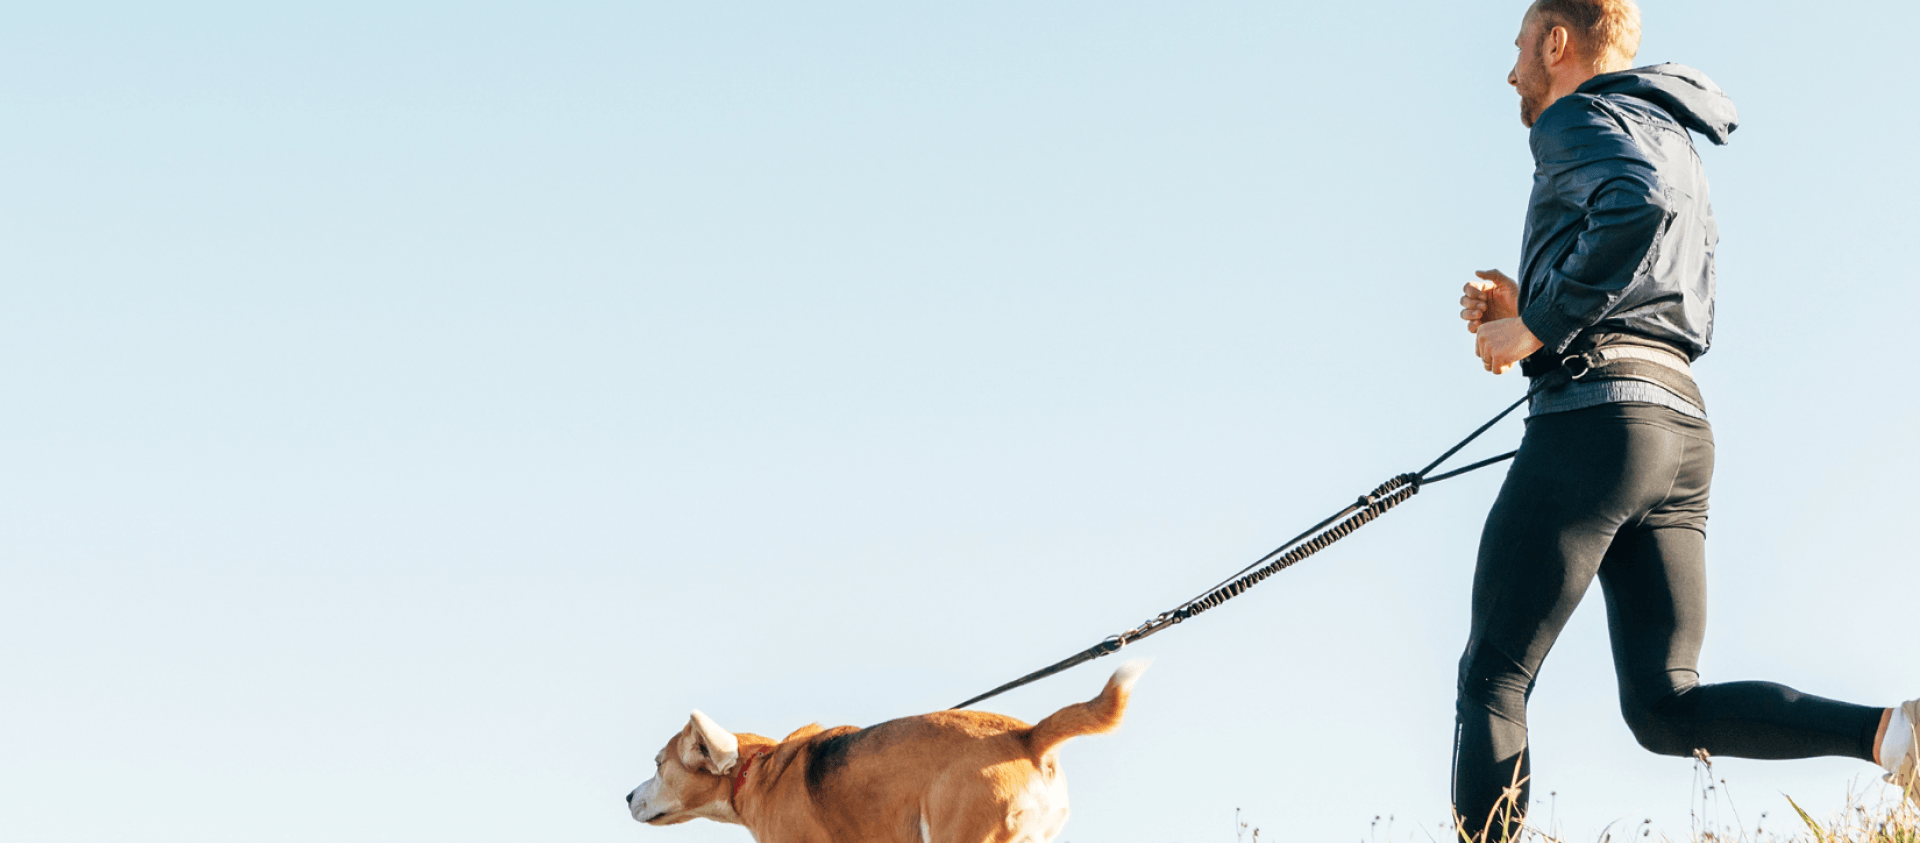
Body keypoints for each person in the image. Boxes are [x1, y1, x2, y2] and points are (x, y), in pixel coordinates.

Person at [1452, 1, 1918, 839]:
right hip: (1679, 431)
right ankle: (1897, 736)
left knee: (1494, 676)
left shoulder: (1576, 115)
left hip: (1597, 425)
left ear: (1557, 42)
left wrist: (1537, 324)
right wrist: (1535, 310)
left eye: (1520, 46)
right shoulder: (1668, 129)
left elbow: (1634, 204)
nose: (1512, 69)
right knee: (1666, 705)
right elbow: (1645, 276)